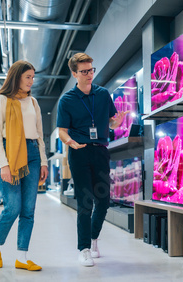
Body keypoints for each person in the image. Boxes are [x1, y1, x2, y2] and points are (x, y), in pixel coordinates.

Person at [56, 53, 128, 267]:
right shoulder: (67, 100)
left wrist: (118, 122)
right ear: (74, 73)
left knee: (104, 201)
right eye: (84, 71)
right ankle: (84, 248)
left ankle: (93, 238)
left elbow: (112, 125)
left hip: (101, 151)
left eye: (91, 70)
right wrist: (70, 142)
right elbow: (61, 131)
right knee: (85, 202)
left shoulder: (103, 94)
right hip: (78, 152)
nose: (89, 75)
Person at [0, 60, 48, 271]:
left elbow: (39, 134)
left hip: (32, 153)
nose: (31, 81)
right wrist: (3, 165)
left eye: (33, 77)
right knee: (12, 207)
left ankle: (22, 256)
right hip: (9, 154)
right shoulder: (1, 100)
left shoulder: (33, 102)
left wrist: (43, 161)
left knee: (28, 210)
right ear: (17, 77)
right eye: (27, 77)